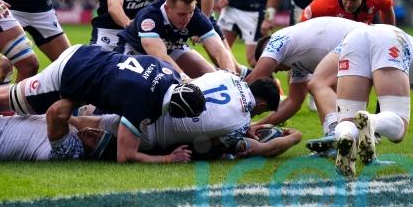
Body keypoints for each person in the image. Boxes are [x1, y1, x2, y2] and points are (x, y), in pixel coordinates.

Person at [0, 44, 207, 164]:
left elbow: (59, 114)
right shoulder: (133, 110)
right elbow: (111, 141)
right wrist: (86, 98)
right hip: (71, 74)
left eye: (96, 140)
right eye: (98, 134)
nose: (94, 134)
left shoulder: (71, 152)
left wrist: (86, 100)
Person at [82, 70, 295, 159]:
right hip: (151, 133)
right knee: (214, 151)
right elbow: (209, 147)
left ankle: (77, 113)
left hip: (153, 98)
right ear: (262, 104)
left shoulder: (225, 74)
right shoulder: (241, 121)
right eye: (262, 111)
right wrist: (295, 136)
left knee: (89, 117)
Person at [332, 24, 413, 176]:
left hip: (354, 38)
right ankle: (371, 121)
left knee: (347, 120)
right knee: (398, 126)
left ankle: (346, 137)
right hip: (390, 40)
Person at [245, 17, 367, 138]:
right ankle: (344, 134)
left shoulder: (276, 41)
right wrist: (257, 125)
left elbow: (252, 82)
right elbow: (293, 102)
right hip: (362, 38)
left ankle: (334, 131)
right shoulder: (297, 64)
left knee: (318, 84)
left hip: (357, 38)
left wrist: (240, 123)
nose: (275, 71)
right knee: (335, 93)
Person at [118, 0, 235, 79]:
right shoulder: (149, 19)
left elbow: (220, 50)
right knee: (161, 85)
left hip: (172, 47)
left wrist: (231, 75)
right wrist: (185, 79)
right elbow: (160, 56)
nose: (187, 18)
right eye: (182, 14)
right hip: (137, 51)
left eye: (190, 12)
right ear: (167, 8)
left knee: (210, 75)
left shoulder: (196, 16)